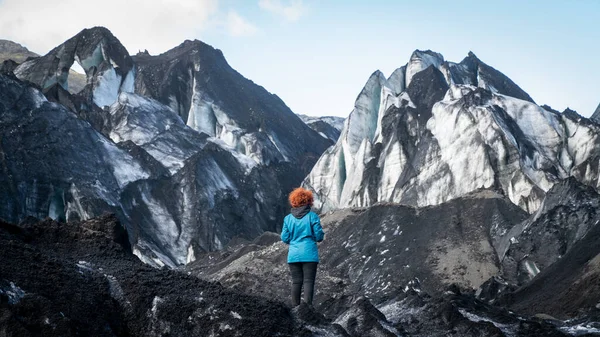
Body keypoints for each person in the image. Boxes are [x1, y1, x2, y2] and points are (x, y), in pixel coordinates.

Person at [281, 187, 324, 307]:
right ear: (309, 201)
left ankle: (295, 309)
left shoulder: (288, 219)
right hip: (309, 254)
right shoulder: (312, 216)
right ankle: (307, 309)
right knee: (308, 281)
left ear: (293, 201)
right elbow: (319, 236)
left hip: (294, 255)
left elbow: (284, 238)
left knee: (296, 282)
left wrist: (294, 240)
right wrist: (313, 238)